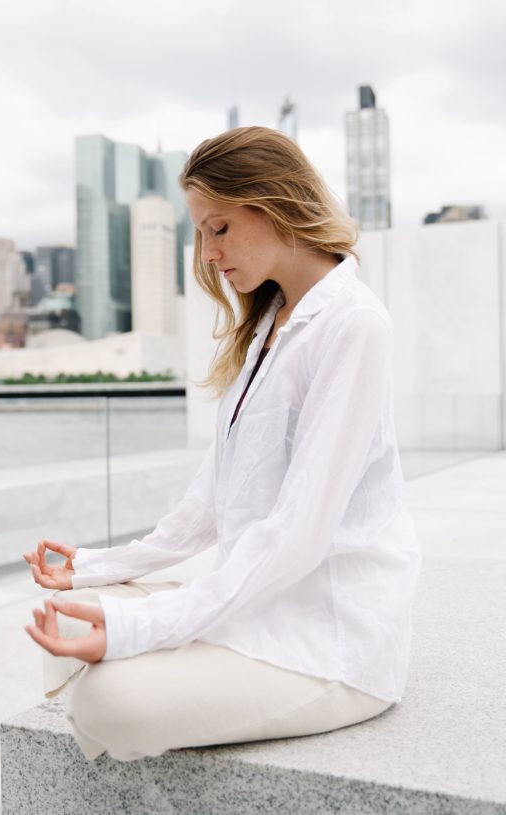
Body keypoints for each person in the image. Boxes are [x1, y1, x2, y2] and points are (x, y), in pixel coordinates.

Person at [23, 126, 421, 762]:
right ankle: (156, 660)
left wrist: (142, 625)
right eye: (201, 233)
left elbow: (299, 532)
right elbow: (209, 503)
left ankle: (142, 678)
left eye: (220, 228)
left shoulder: (354, 325)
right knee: (69, 609)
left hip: (328, 641)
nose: (207, 253)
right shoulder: (268, 322)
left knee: (108, 702)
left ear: (276, 205)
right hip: (260, 602)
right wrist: (97, 566)